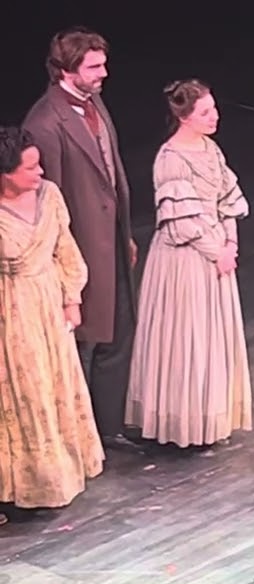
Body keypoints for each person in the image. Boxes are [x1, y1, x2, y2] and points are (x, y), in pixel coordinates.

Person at [23, 27, 138, 448]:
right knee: (83, 343)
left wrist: (124, 233)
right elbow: (48, 199)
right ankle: (80, 435)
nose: (104, 73)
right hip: (81, 250)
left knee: (119, 333)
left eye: (103, 63)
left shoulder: (96, 103)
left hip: (112, 240)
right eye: (94, 67)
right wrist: (64, 266)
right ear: (66, 72)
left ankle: (109, 428)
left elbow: (111, 171)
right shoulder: (45, 124)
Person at [125, 80, 252, 448]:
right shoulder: (170, 158)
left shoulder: (210, 149)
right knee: (187, 337)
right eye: (205, 112)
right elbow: (183, 223)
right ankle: (183, 422)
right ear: (183, 116)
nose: (215, 117)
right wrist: (218, 251)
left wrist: (230, 242)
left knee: (211, 336)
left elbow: (228, 199)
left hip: (216, 254)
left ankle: (210, 418)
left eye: (213, 109)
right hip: (187, 259)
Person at [0, 127, 104, 525]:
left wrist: (72, 297)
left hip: (48, 303)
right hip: (12, 311)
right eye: (29, 167)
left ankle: (60, 476)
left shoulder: (50, 196)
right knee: (25, 395)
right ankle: (25, 486)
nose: (39, 172)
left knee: (55, 385)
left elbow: (66, 248)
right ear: (6, 173)